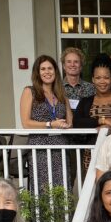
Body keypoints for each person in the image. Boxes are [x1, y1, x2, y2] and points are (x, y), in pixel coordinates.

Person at [20, 55, 72, 193]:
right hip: (40, 146)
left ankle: (64, 216)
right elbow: (26, 123)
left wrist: (65, 125)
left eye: (50, 68)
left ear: (56, 71)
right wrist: (50, 124)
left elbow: (69, 121)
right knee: (42, 188)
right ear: (37, 72)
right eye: (43, 69)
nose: (47, 72)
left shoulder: (61, 93)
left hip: (60, 145)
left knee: (62, 187)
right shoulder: (29, 91)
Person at [72, 54, 111, 148]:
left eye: (106, 78)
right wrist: (102, 121)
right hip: (92, 153)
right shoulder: (85, 102)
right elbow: (77, 122)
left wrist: (109, 129)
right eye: (98, 78)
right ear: (93, 80)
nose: (102, 81)